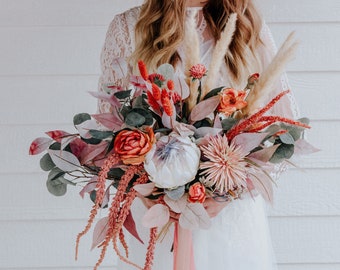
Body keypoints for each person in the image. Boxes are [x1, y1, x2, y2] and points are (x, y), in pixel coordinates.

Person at [97, 0, 299, 269]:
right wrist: (144, 191)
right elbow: (107, 130)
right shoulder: (128, 27)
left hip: (228, 218)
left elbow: (285, 129)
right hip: (157, 217)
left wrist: (231, 190)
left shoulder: (247, 26)